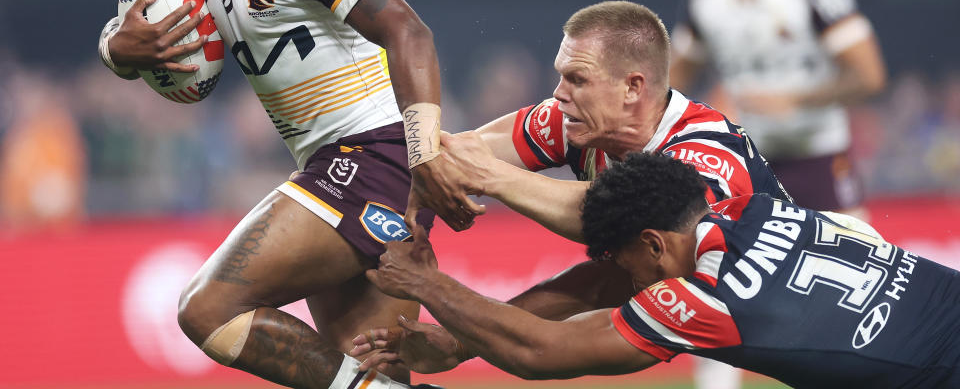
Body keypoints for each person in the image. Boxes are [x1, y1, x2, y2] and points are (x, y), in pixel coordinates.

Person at [96, 0, 477, 389]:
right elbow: (128, 34)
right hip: (331, 164)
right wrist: (120, 49)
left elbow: (409, 33)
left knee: (207, 309)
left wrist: (425, 156)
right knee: (374, 363)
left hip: (375, 156)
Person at [355, 152, 960, 389]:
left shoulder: (704, 300)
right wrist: (458, 344)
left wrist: (423, 283)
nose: (634, 283)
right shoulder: (755, 204)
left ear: (652, 242)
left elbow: (543, 352)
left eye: (628, 265)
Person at [429, 0, 790, 243]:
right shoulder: (578, 120)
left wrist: (490, 177)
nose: (558, 93)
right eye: (561, 75)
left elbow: (616, 216)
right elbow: (457, 154)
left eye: (578, 80)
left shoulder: (705, 152)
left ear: (632, 88)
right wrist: (426, 174)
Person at [669, 0, 887, 217]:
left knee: (852, 261)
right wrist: (701, 118)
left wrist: (795, 100)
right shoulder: (704, 0)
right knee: (736, 265)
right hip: (744, 161)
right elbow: (671, 80)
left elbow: (869, 76)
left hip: (818, 155)